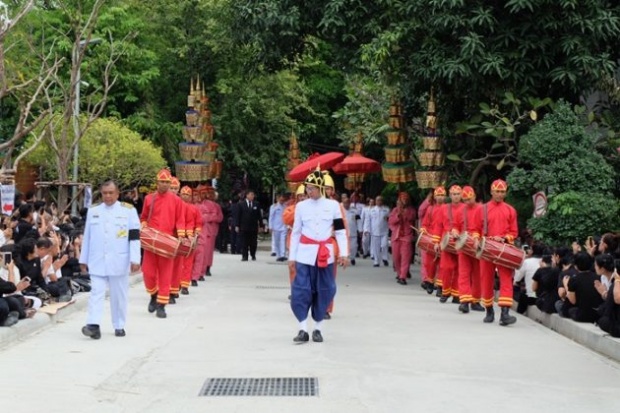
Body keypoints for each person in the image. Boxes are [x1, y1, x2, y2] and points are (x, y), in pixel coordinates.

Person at [288, 169, 348, 343]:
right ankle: (302, 328)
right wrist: (292, 257)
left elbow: (340, 231)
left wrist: (343, 254)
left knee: (325, 290)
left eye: (312, 188)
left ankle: (318, 329)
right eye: (307, 188)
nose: (308, 191)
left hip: (325, 255)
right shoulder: (300, 207)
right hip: (304, 255)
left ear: (320, 188)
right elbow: (296, 233)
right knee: (300, 290)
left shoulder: (333, 206)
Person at [80, 180, 141, 339]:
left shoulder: (128, 211)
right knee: (96, 292)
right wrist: (83, 259)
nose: (107, 196)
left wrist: (135, 259)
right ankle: (93, 325)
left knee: (118, 295)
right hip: (97, 259)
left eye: (110, 193)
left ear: (117, 193)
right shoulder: (93, 211)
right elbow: (88, 236)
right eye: (104, 193)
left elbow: (134, 237)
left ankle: (119, 324)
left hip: (119, 260)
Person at [140, 168, 186, 319]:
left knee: (166, 274)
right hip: (152, 241)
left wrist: (180, 236)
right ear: (157, 182)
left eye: (167, 182)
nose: (164, 185)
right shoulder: (149, 199)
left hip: (167, 243)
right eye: (162, 182)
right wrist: (144, 225)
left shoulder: (177, 201)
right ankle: (153, 295)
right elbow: (144, 217)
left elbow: (180, 220)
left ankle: (162, 305)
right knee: (148, 272)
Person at [472, 179, 519, 326]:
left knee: (506, 278)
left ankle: (505, 313)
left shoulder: (511, 210)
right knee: (486, 279)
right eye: (497, 191)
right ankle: (489, 310)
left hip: (504, 249)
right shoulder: (482, 209)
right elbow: (475, 229)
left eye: (502, 192)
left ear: (505, 193)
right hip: (487, 248)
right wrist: (475, 239)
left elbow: (514, 232)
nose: (499, 194)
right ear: (492, 192)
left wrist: (505, 238)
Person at [454, 185, 484, 313]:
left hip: (477, 245)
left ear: (474, 196)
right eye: (465, 200)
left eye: (469, 199)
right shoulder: (461, 210)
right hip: (464, 245)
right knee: (464, 273)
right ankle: (464, 301)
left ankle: (475, 301)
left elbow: (484, 227)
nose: (467, 202)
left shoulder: (482, 209)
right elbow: (455, 225)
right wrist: (455, 231)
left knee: (477, 274)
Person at [437, 185, 463, 303]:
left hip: (460, 240)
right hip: (446, 240)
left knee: (459, 268)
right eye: (454, 194)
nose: (456, 196)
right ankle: (445, 291)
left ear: (461, 195)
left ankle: (456, 294)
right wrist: (436, 241)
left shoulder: (465, 208)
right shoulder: (444, 208)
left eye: (458, 194)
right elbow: (438, 225)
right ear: (450, 195)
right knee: (446, 267)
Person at [564, 252, 604, 323]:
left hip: (582, 314)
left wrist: (566, 285)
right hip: (597, 314)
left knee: (561, 306)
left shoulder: (574, 279)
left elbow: (573, 301)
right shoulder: (598, 277)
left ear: (576, 266)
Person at [420, 187, 446, 295]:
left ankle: (440, 287)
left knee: (442, 264)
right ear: (434, 197)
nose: (440, 197)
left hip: (443, 239)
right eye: (438, 195)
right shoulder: (430, 209)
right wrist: (424, 231)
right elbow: (425, 224)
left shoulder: (447, 209)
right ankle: (430, 283)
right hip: (431, 239)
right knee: (430, 263)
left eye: (442, 195)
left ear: (445, 196)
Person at [388, 192, 416, 285]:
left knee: (405, 257)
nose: (404, 201)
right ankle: (399, 273)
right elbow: (391, 221)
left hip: (406, 237)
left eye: (405, 199)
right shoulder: (395, 210)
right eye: (402, 199)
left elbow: (411, 217)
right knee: (396, 258)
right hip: (396, 237)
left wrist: (404, 212)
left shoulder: (411, 210)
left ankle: (402, 277)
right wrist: (398, 214)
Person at [236, 190, 262, 261]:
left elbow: (259, 216)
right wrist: (237, 225)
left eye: (253, 195)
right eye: (251, 195)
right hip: (244, 226)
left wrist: (261, 225)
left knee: (253, 242)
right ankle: (244, 256)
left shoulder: (256, 204)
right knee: (244, 242)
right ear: (247, 195)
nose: (252, 196)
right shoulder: (241, 204)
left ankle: (253, 254)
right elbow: (238, 215)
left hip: (253, 227)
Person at [365, 196, 390, 268]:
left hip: (384, 230)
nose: (379, 202)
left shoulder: (386, 209)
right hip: (375, 231)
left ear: (382, 201)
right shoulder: (372, 210)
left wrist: (388, 219)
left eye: (380, 200)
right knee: (376, 247)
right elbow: (368, 220)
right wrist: (367, 229)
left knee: (384, 245)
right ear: (375, 201)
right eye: (377, 200)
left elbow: (390, 219)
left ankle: (384, 258)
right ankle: (376, 261)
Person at [597, 259, 620, 337]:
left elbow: (616, 300)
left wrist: (617, 280)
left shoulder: (615, 285)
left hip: (617, 326)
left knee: (602, 320)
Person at [269, 193, 288, 262]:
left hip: (284, 226)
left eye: (283, 199)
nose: (282, 201)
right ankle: (278, 255)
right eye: (281, 199)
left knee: (283, 241)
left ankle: (283, 255)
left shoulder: (285, 206)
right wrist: (270, 227)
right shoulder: (273, 207)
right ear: (277, 199)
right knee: (277, 242)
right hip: (276, 226)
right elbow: (271, 217)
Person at [343, 197, 358, 266]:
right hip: (343, 232)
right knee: (344, 246)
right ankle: (343, 259)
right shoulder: (340, 211)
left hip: (353, 231)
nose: (346, 204)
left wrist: (360, 230)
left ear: (349, 203)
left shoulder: (355, 211)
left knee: (353, 246)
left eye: (347, 203)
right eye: (344, 203)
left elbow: (359, 221)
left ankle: (352, 258)